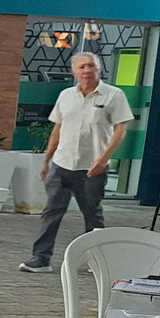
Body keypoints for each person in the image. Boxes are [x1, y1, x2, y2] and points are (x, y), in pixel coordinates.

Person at [19, 51, 130, 273]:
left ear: (99, 68)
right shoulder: (66, 95)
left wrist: (102, 160)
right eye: (82, 67)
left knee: (92, 214)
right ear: (74, 71)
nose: (87, 70)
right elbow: (58, 128)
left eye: (91, 66)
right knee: (51, 211)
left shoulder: (114, 95)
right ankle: (41, 258)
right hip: (62, 164)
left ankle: (97, 261)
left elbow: (120, 131)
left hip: (91, 167)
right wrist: (47, 160)